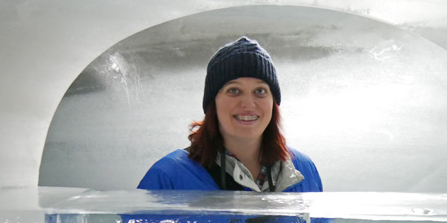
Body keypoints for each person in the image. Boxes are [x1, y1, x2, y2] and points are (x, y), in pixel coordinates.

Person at [137, 37, 323, 193]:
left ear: (273, 104)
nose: (248, 104)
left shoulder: (304, 170)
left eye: (260, 91)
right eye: (234, 90)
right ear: (213, 102)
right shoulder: (167, 177)